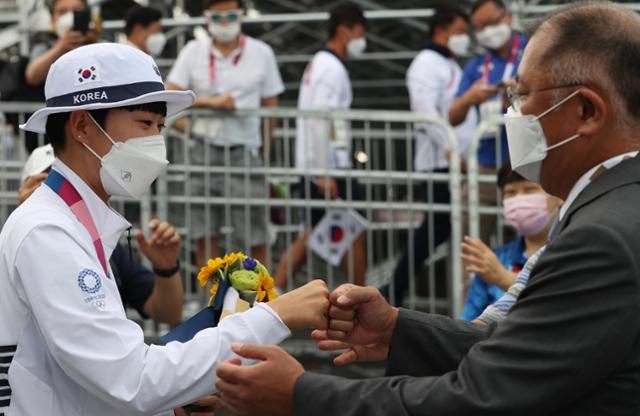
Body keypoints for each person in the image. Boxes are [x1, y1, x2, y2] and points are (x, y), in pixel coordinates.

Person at [214, 3, 640, 414]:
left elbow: (484, 394)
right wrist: (399, 329)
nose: (513, 113)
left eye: (523, 95)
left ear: (586, 110)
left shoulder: (599, 240)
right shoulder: (609, 209)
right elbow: (523, 343)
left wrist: (303, 395)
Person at [0, 42, 331, 416]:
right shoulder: (49, 232)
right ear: (81, 126)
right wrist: (275, 316)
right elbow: (133, 381)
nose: (156, 142)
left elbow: (102, 378)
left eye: (159, 127)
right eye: (144, 124)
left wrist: (175, 401)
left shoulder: (73, 221)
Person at [166, 0, 284, 269]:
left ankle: (260, 302)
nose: (224, 22)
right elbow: (169, 97)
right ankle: (211, 304)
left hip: (245, 152)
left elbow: (271, 106)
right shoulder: (193, 51)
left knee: (255, 234)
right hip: (202, 151)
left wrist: (262, 149)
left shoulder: (261, 52)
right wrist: (208, 108)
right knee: (203, 233)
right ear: (206, 17)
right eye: (217, 16)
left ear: (242, 14)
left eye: (231, 15)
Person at [18, 144, 185, 327]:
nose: (60, 192)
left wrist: (166, 268)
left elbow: (168, 314)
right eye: (47, 183)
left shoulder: (108, 248)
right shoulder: (12, 245)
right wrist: (25, 220)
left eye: (72, 183)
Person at [381, 6, 477, 305]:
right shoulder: (426, 63)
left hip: (457, 162)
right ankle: (396, 286)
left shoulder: (450, 65)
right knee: (437, 228)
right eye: (460, 31)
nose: (464, 38)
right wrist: (451, 151)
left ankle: (400, 286)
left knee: (446, 229)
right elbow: (426, 114)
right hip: (441, 163)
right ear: (440, 30)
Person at [275, 2, 367, 290]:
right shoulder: (331, 68)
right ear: (344, 31)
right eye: (360, 33)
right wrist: (326, 172)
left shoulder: (321, 64)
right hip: (328, 169)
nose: (362, 42)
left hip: (320, 166)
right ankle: (361, 300)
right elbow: (321, 120)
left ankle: (271, 292)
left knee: (313, 233)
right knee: (354, 229)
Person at [448, 0, 528, 242]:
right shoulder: (476, 66)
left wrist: (520, 92)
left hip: (526, 163)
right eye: (480, 27)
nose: (488, 31)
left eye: (492, 22)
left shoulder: (532, 51)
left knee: (535, 232)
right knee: (468, 236)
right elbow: (452, 116)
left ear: (508, 17)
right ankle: (469, 281)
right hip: (485, 165)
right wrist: (468, 99)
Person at [460, 162, 561, 320]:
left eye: (529, 189)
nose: (519, 200)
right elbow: (468, 323)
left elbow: (561, 304)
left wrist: (504, 278)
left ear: (559, 196)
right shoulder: (492, 260)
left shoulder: (569, 252)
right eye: (510, 193)